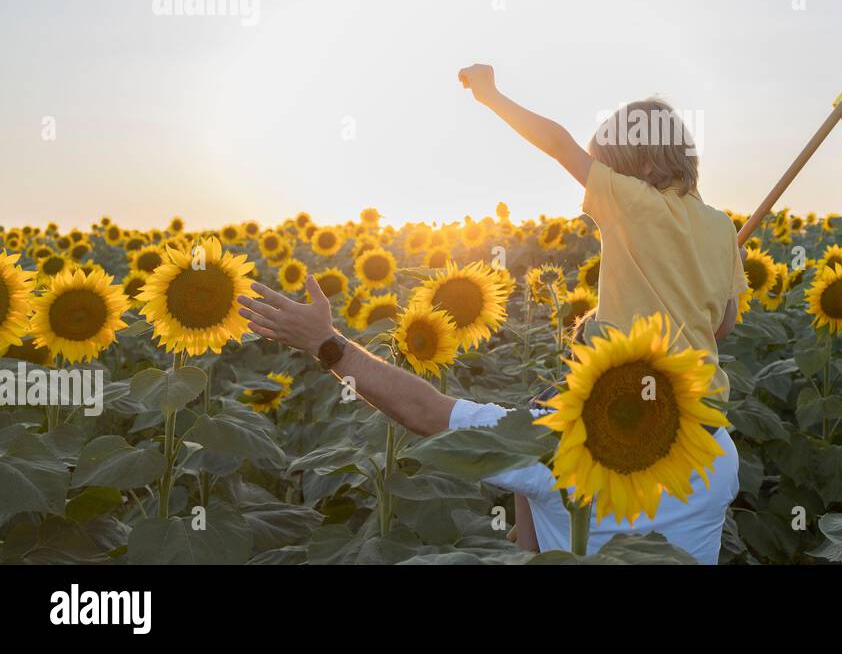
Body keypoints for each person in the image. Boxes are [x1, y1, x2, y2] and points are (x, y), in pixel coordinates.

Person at [236, 65, 747, 562]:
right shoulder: (722, 230)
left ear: (646, 169)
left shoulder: (631, 202)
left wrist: (491, 95)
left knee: (530, 438)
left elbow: (557, 142)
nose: (597, 188)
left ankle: (526, 550)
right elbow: (720, 324)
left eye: (608, 168)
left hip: (604, 437)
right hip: (703, 435)